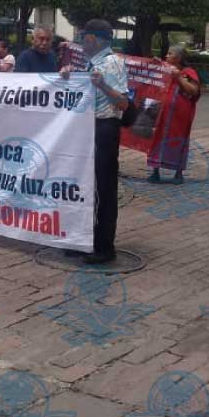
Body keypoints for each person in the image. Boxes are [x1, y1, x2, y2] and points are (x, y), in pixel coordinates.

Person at [61, 19, 129, 265]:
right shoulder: (93, 64)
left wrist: (103, 85)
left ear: (94, 38)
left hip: (104, 128)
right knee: (86, 186)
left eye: (84, 35)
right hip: (87, 129)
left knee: (103, 189)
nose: (80, 38)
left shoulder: (114, 63)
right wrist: (67, 78)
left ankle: (104, 246)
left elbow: (123, 103)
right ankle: (85, 241)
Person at [147, 45, 201, 183]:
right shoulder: (165, 68)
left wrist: (179, 78)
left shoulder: (188, 72)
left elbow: (193, 91)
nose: (166, 55)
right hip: (163, 113)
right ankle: (155, 171)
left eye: (170, 53)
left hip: (180, 116)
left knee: (178, 139)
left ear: (178, 57)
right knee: (158, 137)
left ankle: (178, 173)